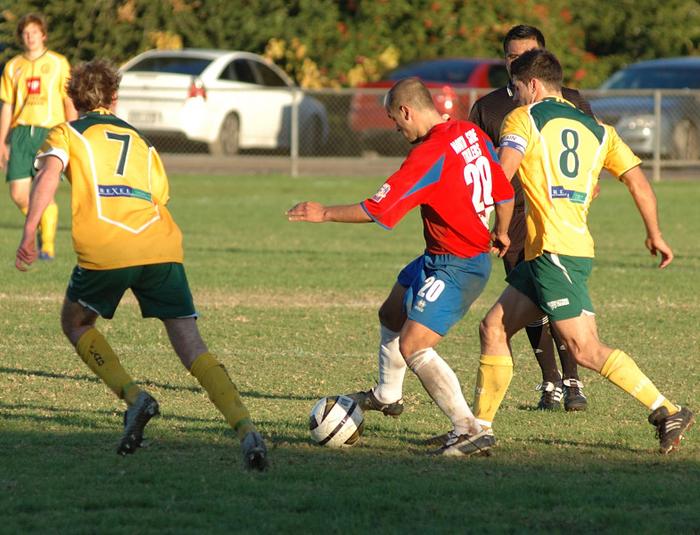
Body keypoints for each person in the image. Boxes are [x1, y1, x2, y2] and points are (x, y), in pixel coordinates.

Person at [15, 59, 268, 471]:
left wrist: (30, 230)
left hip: (107, 245)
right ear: (115, 98)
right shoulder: (141, 140)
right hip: (160, 245)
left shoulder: (66, 132)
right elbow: (160, 196)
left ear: (74, 101)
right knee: (191, 344)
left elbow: (47, 176)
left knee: (76, 323)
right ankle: (246, 430)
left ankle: (135, 398)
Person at [473, 48, 694, 454]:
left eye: (519, 88)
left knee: (583, 348)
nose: (517, 96)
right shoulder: (599, 130)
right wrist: (655, 234)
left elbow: (500, 177)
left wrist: (495, 225)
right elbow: (639, 183)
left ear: (533, 85)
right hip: (559, 250)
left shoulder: (523, 118)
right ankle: (478, 429)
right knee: (493, 328)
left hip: (556, 253)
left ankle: (666, 409)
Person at [288, 77, 515, 456]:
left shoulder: (428, 154)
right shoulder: (469, 132)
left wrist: (323, 212)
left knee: (413, 345)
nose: (396, 127)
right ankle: (388, 395)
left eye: (395, 119)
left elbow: (376, 209)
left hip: (458, 266)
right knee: (392, 310)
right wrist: (502, 230)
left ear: (407, 110)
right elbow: (503, 188)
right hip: (439, 255)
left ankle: (468, 429)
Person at [469, 24, 592, 411]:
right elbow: (478, 169)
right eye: (511, 55)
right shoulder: (488, 107)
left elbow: (593, 154)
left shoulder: (569, 100)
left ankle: (573, 382)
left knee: (556, 298)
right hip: (514, 214)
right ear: (505, 59)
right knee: (526, 298)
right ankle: (550, 381)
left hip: (557, 214)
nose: (518, 61)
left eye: (527, 54)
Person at [1, 12, 77, 260]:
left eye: (34, 32)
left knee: (45, 188)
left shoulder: (58, 63)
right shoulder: (13, 66)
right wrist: (2, 140)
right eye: (25, 33)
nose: (30, 36)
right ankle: (43, 223)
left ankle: (48, 246)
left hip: (50, 132)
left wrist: (72, 131)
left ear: (43, 35)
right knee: (18, 193)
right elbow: (7, 105)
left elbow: (68, 101)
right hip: (22, 133)